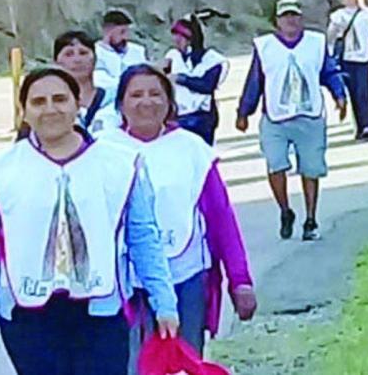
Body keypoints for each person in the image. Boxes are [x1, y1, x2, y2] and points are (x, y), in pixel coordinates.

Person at [0, 67, 179, 375]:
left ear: (78, 104)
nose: (50, 109)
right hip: (28, 316)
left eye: (60, 99)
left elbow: (143, 237)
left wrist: (164, 303)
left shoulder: (118, 164)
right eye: (38, 102)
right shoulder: (2, 170)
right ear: (24, 111)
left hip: (101, 311)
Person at [101, 64, 256, 358]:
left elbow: (221, 217)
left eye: (155, 94)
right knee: (129, 360)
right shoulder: (104, 150)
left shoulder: (191, 148)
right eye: (136, 95)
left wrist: (240, 279)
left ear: (170, 103)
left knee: (183, 360)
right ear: (121, 104)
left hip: (186, 275)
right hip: (123, 280)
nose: (146, 102)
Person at [236, 0, 347, 241]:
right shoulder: (264, 46)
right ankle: (285, 210)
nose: (290, 20)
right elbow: (255, 81)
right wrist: (244, 112)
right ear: (277, 21)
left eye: (294, 15)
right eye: (285, 16)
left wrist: (339, 95)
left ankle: (310, 218)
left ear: (300, 18)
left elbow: (328, 71)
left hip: (309, 115)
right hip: (276, 117)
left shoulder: (315, 43)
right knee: (276, 164)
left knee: (311, 168)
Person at [327, 0, 368, 141]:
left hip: (364, 58)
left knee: (363, 91)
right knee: (352, 93)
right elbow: (330, 37)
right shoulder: (338, 16)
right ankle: (360, 125)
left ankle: (367, 125)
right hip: (346, 58)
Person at [162, 11, 229, 145]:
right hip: (178, 116)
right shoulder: (173, 56)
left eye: (180, 38)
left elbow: (207, 86)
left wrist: (181, 79)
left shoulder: (213, 60)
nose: (177, 42)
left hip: (202, 117)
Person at [94, 9, 149, 89]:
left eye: (127, 32)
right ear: (108, 31)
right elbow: (98, 80)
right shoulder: (95, 52)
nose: (125, 37)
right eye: (122, 32)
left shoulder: (138, 50)